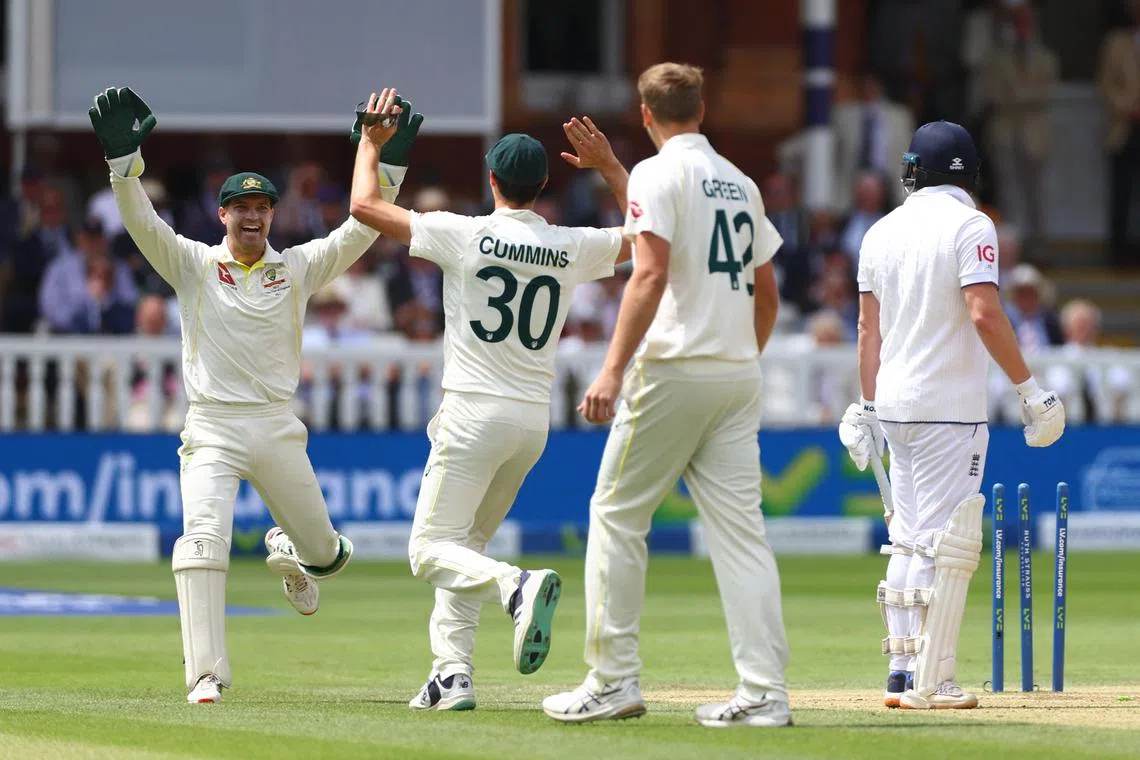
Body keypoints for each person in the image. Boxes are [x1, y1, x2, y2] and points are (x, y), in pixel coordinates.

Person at [88, 85, 419, 703]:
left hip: (275, 428)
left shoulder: (293, 269)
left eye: (262, 207)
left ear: (272, 214)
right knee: (201, 544)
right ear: (222, 216)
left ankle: (293, 549)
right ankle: (206, 675)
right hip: (211, 428)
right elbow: (140, 221)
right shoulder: (190, 265)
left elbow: (357, 233)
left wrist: (389, 165)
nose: (252, 216)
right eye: (240, 207)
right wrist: (123, 167)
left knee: (329, 557)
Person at [347, 92, 632, 712]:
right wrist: (610, 166)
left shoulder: (463, 234)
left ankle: (516, 584)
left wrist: (372, 144)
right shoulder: (567, 246)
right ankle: (452, 674)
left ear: (493, 180)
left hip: (473, 412)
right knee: (464, 545)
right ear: (545, 183)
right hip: (531, 423)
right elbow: (647, 235)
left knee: (428, 550)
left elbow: (365, 208)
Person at [542, 62, 791, 728]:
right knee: (742, 538)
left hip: (673, 369)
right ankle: (766, 693)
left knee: (617, 517)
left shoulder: (657, 173)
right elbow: (767, 294)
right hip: (737, 374)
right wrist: (739, 356)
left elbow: (648, 274)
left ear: (645, 115)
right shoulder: (739, 182)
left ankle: (611, 681)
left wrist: (610, 369)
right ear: (701, 112)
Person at [838, 120, 1065, 711]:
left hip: (895, 406)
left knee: (909, 541)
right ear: (967, 173)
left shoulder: (880, 230)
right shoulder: (972, 224)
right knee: (945, 544)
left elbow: (868, 328)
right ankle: (929, 680)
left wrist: (865, 406)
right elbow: (984, 312)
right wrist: (1031, 390)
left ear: (913, 172)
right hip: (949, 409)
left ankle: (900, 670)